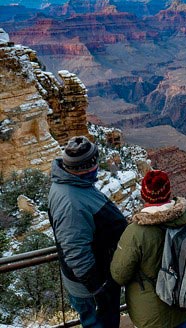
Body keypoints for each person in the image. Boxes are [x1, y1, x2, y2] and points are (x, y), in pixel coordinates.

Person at [48, 136, 127, 327]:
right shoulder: (71, 204)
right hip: (91, 288)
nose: (97, 167)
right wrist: (98, 286)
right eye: (95, 163)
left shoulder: (70, 184)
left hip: (94, 281)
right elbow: (76, 251)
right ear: (87, 166)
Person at [110, 170, 186, 328]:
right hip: (184, 300)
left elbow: (120, 275)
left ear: (144, 196)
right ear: (169, 192)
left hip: (152, 313)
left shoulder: (135, 233)